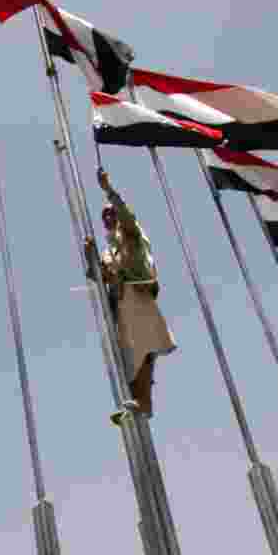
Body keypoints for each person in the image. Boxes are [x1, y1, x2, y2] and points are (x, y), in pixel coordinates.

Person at [87, 168, 176, 424]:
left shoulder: (131, 234)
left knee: (144, 347)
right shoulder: (108, 250)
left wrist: (108, 189)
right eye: (104, 215)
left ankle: (143, 403)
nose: (108, 217)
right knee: (128, 356)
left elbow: (126, 215)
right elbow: (101, 276)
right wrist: (91, 258)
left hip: (137, 296)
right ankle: (136, 404)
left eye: (111, 213)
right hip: (120, 304)